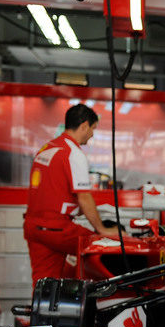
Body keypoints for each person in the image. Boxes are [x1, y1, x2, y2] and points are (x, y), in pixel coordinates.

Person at [23, 104, 119, 285]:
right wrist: (101, 229)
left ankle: (42, 312)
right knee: (102, 247)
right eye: (93, 128)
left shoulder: (47, 148)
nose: (92, 134)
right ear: (84, 126)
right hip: (56, 228)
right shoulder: (73, 153)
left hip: (34, 226)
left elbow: (56, 191)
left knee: (45, 283)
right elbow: (84, 196)